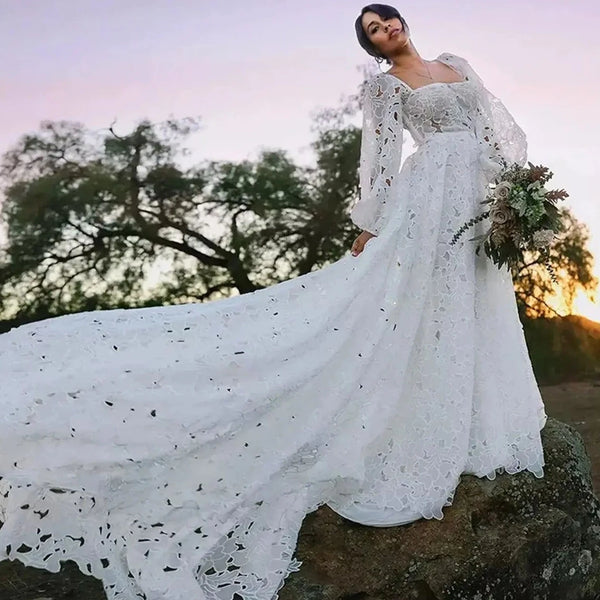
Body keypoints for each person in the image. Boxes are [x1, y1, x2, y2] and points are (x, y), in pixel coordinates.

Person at [0, 4, 547, 599]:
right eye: (371, 31)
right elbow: (382, 159)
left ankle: (472, 411)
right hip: (428, 198)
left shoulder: (454, 65)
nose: (383, 30)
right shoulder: (386, 88)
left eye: (385, 20)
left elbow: (496, 130)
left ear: (402, 22)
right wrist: (369, 223)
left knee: (468, 299)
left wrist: (518, 192)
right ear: (372, 49)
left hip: (474, 200)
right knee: (415, 306)